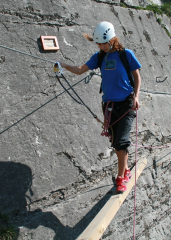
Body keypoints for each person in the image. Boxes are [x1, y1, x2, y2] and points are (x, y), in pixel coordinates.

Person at [58, 22, 142, 193]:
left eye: (104, 43)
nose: (101, 46)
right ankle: (125, 170)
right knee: (115, 141)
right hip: (109, 106)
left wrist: (137, 96)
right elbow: (81, 69)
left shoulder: (126, 54)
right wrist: (64, 65)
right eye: (99, 44)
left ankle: (120, 179)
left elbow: (137, 76)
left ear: (112, 39)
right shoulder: (100, 57)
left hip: (126, 103)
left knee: (121, 141)